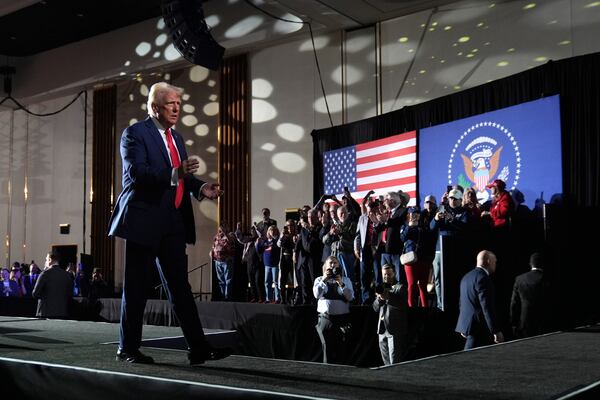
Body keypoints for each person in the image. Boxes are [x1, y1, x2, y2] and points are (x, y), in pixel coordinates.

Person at [108, 81, 230, 366]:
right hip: (143, 220)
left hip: (173, 221)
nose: (177, 108)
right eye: (171, 103)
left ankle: (198, 348)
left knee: (180, 287)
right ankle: (127, 349)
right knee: (136, 287)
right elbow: (138, 173)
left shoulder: (177, 138)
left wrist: (201, 188)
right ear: (154, 107)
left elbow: (181, 177)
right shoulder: (134, 134)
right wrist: (176, 172)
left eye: (178, 103)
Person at [455, 250, 504, 350]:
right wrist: (495, 331)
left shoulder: (466, 277)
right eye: (495, 261)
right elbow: (487, 307)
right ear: (489, 261)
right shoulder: (483, 278)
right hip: (479, 329)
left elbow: (462, 303)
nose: (495, 264)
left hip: (468, 327)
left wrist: (464, 326)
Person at [313, 256, 354, 364]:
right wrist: (324, 280)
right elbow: (317, 294)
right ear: (325, 266)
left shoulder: (346, 280)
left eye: (335, 263)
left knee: (342, 350)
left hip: (342, 320)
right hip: (325, 319)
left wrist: (341, 283)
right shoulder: (319, 280)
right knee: (327, 350)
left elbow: (350, 297)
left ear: (338, 265)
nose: (333, 265)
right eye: (330, 263)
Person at [372, 264, 408, 365]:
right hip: (382, 329)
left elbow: (402, 306)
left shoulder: (400, 288)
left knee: (394, 362)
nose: (386, 277)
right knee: (386, 362)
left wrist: (388, 297)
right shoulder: (381, 288)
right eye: (384, 275)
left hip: (395, 329)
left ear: (394, 274)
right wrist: (379, 298)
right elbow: (375, 308)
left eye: (389, 274)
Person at [510, 252, 551, 338]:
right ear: (543, 264)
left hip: (524, 322)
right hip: (544, 323)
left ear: (530, 264)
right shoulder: (546, 278)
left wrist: (513, 323)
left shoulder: (519, 279)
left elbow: (514, 303)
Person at [32, 251, 74, 318]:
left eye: (46, 259)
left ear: (49, 260)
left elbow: (35, 294)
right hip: (62, 312)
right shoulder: (67, 275)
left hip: (45, 313)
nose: (45, 262)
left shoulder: (45, 274)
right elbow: (70, 293)